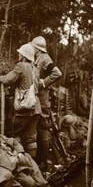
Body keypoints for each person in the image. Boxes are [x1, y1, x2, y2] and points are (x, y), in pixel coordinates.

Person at [0, 43, 40, 159]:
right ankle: (32, 165)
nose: (18, 55)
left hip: (24, 108)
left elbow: (8, 79)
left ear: (24, 56)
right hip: (35, 108)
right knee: (31, 138)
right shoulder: (35, 69)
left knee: (12, 134)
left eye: (20, 54)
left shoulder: (21, 66)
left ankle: (16, 162)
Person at [31, 35, 63, 164]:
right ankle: (42, 160)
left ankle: (44, 161)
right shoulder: (38, 58)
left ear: (37, 49)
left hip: (42, 99)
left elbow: (57, 73)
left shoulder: (44, 59)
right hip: (37, 98)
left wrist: (43, 83)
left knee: (43, 127)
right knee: (38, 128)